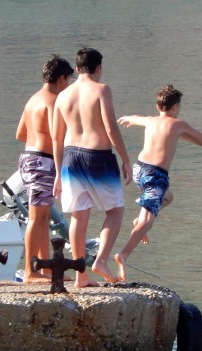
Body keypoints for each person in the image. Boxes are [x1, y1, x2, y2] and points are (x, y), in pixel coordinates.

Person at [52, 47, 132, 287]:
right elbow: (111, 128)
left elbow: (56, 137)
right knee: (115, 211)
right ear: (98, 68)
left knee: (79, 215)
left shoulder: (62, 96)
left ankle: (81, 275)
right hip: (97, 157)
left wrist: (58, 173)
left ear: (77, 69)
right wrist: (126, 159)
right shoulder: (101, 89)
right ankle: (101, 260)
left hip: (70, 158)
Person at [114, 85, 202, 281]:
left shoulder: (151, 120)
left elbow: (135, 118)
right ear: (175, 107)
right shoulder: (178, 124)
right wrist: (183, 134)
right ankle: (123, 254)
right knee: (147, 221)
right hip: (155, 175)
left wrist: (129, 118)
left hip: (139, 169)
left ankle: (139, 221)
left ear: (158, 106)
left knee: (168, 197)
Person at [16, 55, 74, 283]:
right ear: (61, 79)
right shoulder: (53, 101)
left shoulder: (32, 99)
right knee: (36, 217)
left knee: (43, 217)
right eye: (68, 80)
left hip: (29, 158)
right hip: (42, 162)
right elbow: (58, 137)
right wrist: (59, 170)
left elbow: (20, 133)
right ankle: (30, 271)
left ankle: (46, 268)